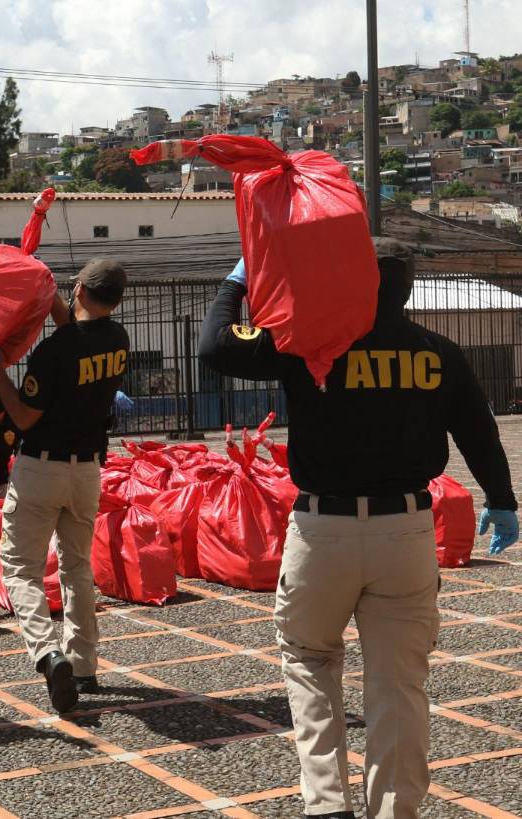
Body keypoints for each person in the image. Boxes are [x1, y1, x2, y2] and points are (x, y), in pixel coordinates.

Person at [198, 238, 519, 819]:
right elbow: (479, 433)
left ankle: (327, 805)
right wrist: (501, 500)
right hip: (407, 533)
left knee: (311, 662)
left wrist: (237, 282)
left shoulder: (310, 343)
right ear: (409, 288)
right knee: (399, 686)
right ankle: (394, 812)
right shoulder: (438, 352)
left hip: (325, 532)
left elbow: (215, 347)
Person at [0, 259, 130, 714]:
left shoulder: (53, 352)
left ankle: (46, 652)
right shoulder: (118, 339)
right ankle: (84, 664)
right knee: (77, 568)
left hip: (41, 469)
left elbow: (25, 417)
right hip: (87, 471)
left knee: (19, 568)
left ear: (80, 290)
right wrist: (48, 288)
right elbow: (74, 336)